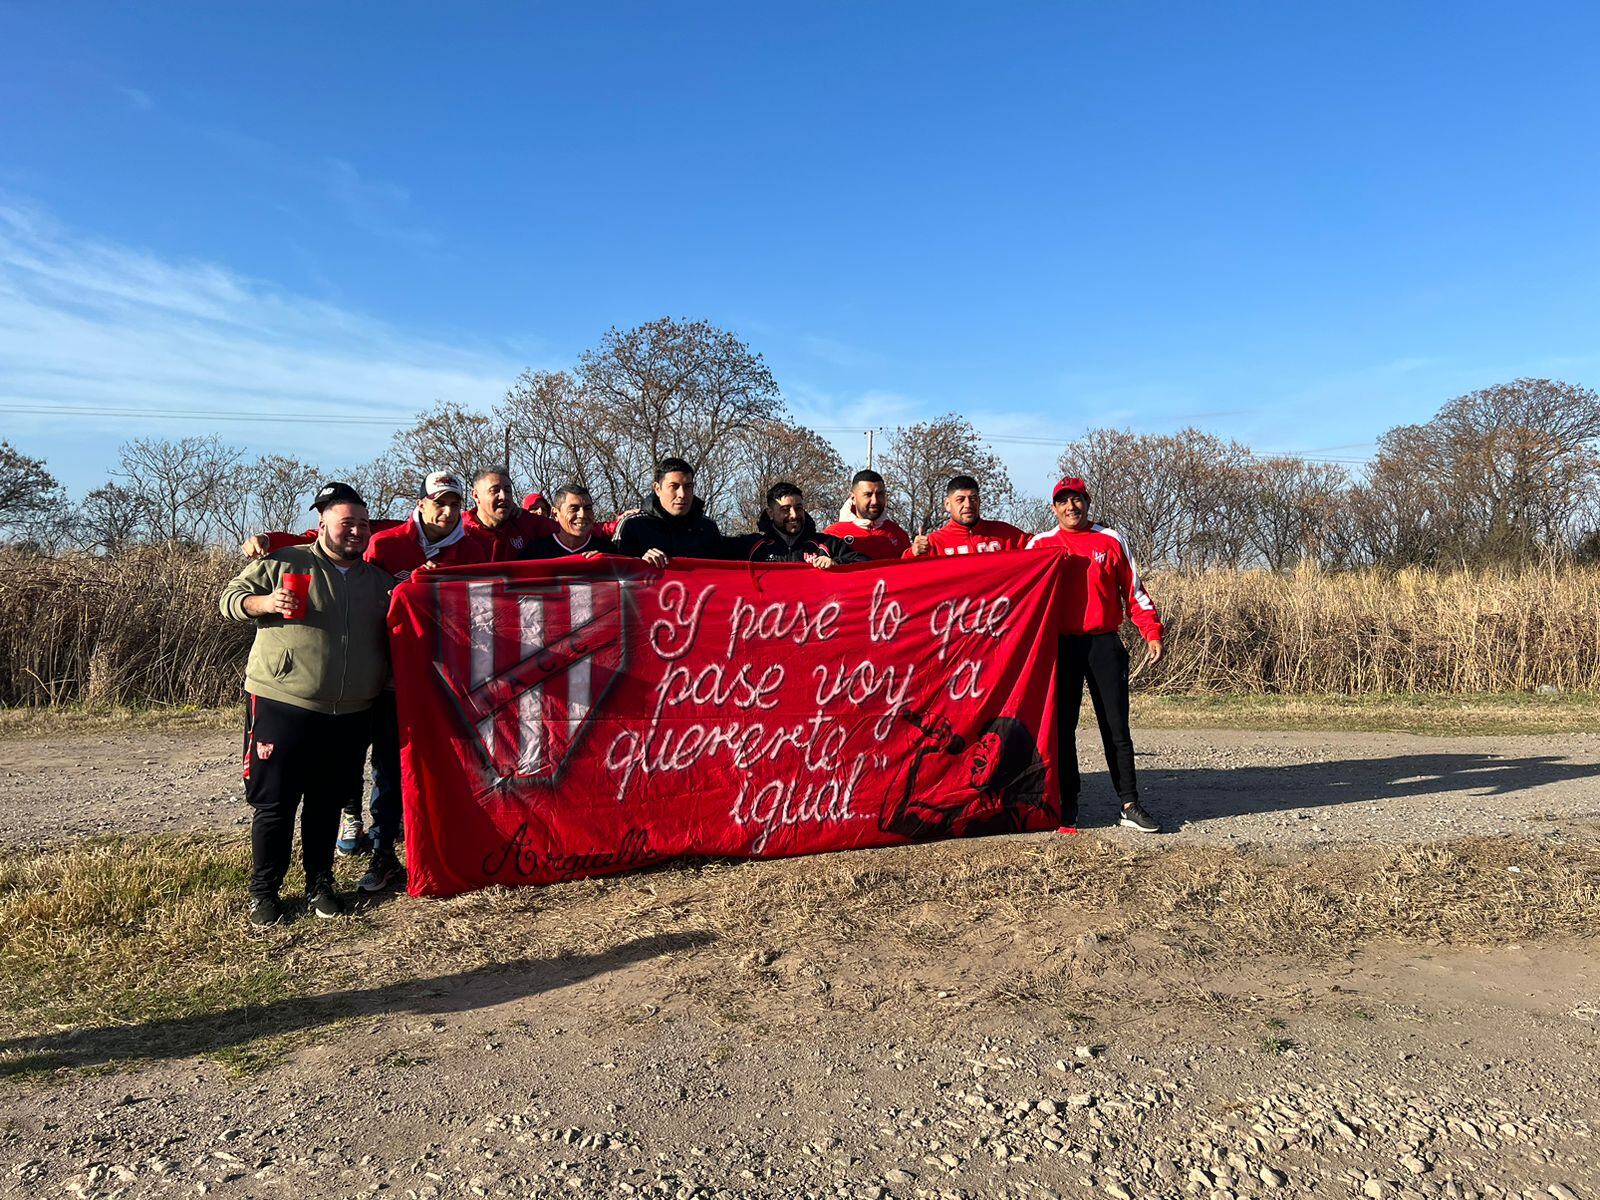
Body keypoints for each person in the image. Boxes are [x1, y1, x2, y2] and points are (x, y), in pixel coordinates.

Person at [219, 482, 396, 925]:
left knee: (325, 803)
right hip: (283, 701)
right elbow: (229, 601)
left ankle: (320, 885)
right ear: (322, 526)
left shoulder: (379, 582)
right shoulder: (285, 561)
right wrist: (264, 601)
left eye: (362, 524)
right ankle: (265, 893)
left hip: (352, 710)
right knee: (276, 803)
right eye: (345, 523)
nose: (355, 531)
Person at [356, 470, 489, 892]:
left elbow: (484, 610)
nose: (446, 511)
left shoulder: (472, 549)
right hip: (391, 677)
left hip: (448, 677)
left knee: (457, 762)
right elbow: (361, 599)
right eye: (438, 502)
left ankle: (455, 842)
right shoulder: (387, 545)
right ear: (421, 503)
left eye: (453, 503)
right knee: (390, 767)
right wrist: (408, 588)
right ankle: (384, 852)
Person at [1026, 475, 1164, 834]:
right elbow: (1018, 593)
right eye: (1063, 501)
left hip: (1104, 643)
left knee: (1116, 727)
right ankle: (1067, 806)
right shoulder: (1039, 545)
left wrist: (1151, 631)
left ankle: (1129, 803)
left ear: (1087, 503)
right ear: (1054, 508)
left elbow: (1134, 590)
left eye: (1077, 500)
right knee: (1062, 729)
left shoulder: (1110, 540)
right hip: (1061, 647)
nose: (1071, 507)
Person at [614, 457, 727, 566]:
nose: (682, 494)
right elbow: (614, 572)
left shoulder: (707, 528)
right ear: (657, 489)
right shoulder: (633, 525)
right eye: (674, 486)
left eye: (688, 486)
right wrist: (639, 563)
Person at [728, 482, 868, 567]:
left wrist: (837, 563)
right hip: (770, 614)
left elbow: (866, 564)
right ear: (770, 513)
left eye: (799, 507)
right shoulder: (754, 546)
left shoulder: (826, 544)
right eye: (785, 509)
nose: (794, 515)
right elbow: (712, 553)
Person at [905, 475, 1028, 557]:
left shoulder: (1005, 534)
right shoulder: (933, 543)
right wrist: (912, 554)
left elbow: (1040, 547)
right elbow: (903, 575)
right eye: (960, 499)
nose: (968, 505)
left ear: (979, 501)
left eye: (973, 499)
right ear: (948, 504)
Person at [462, 467, 558, 561]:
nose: (504, 496)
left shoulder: (523, 522)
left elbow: (564, 532)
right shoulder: (460, 530)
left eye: (507, 491)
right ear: (475, 495)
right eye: (495, 491)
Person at [822, 469, 913, 561]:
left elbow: (908, 570)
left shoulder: (898, 534)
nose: (875, 501)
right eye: (868, 495)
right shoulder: (833, 534)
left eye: (879, 494)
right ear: (853, 498)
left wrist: (915, 553)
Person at [521, 484, 615, 559]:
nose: (582, 515)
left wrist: (606, 562)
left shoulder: (607, 551)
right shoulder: (535, 552)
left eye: (588, 508)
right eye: (574, 509)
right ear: (555, 514)